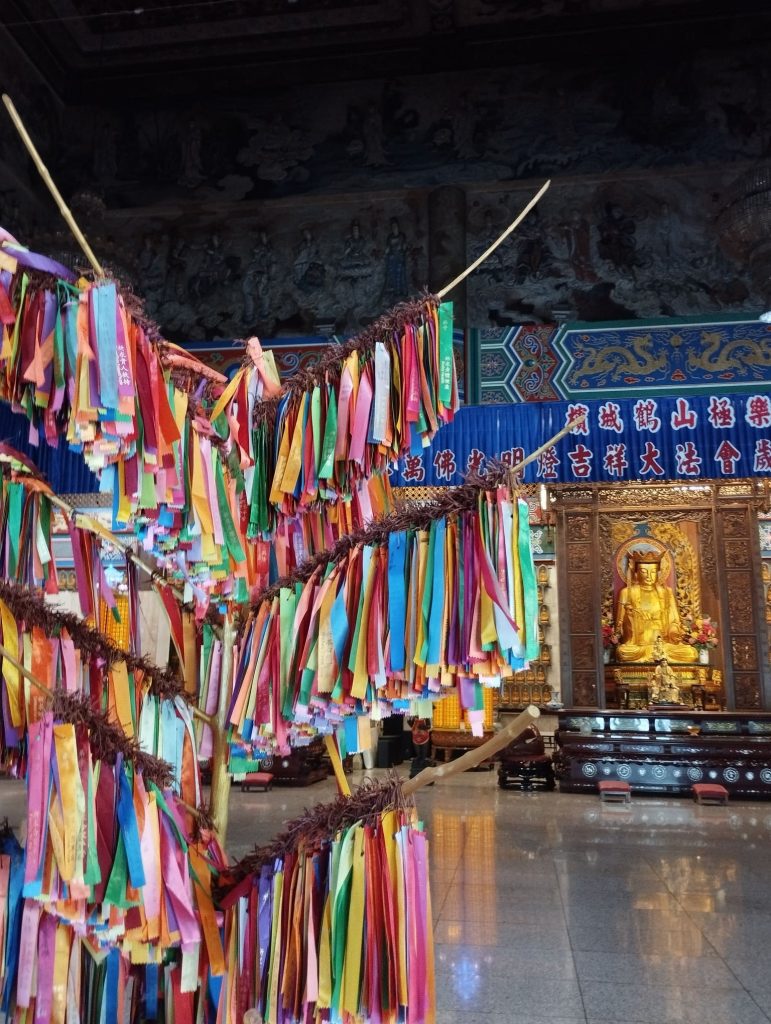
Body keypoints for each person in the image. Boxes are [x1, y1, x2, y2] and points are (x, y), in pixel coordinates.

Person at [615, 548, 697, 663]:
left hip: (664, 644)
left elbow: (674, 621)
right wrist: (630, 617)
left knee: (691, 653)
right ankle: (656, 656)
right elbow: (619, 628)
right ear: (636, 573)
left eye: (653, 572)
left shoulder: (666, 592)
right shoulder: (627, 592)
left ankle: (657, 655)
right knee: (623, 652)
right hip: (639, 645)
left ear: (658, 573)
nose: (649, 576)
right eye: (644, 571)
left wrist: (674, 632)